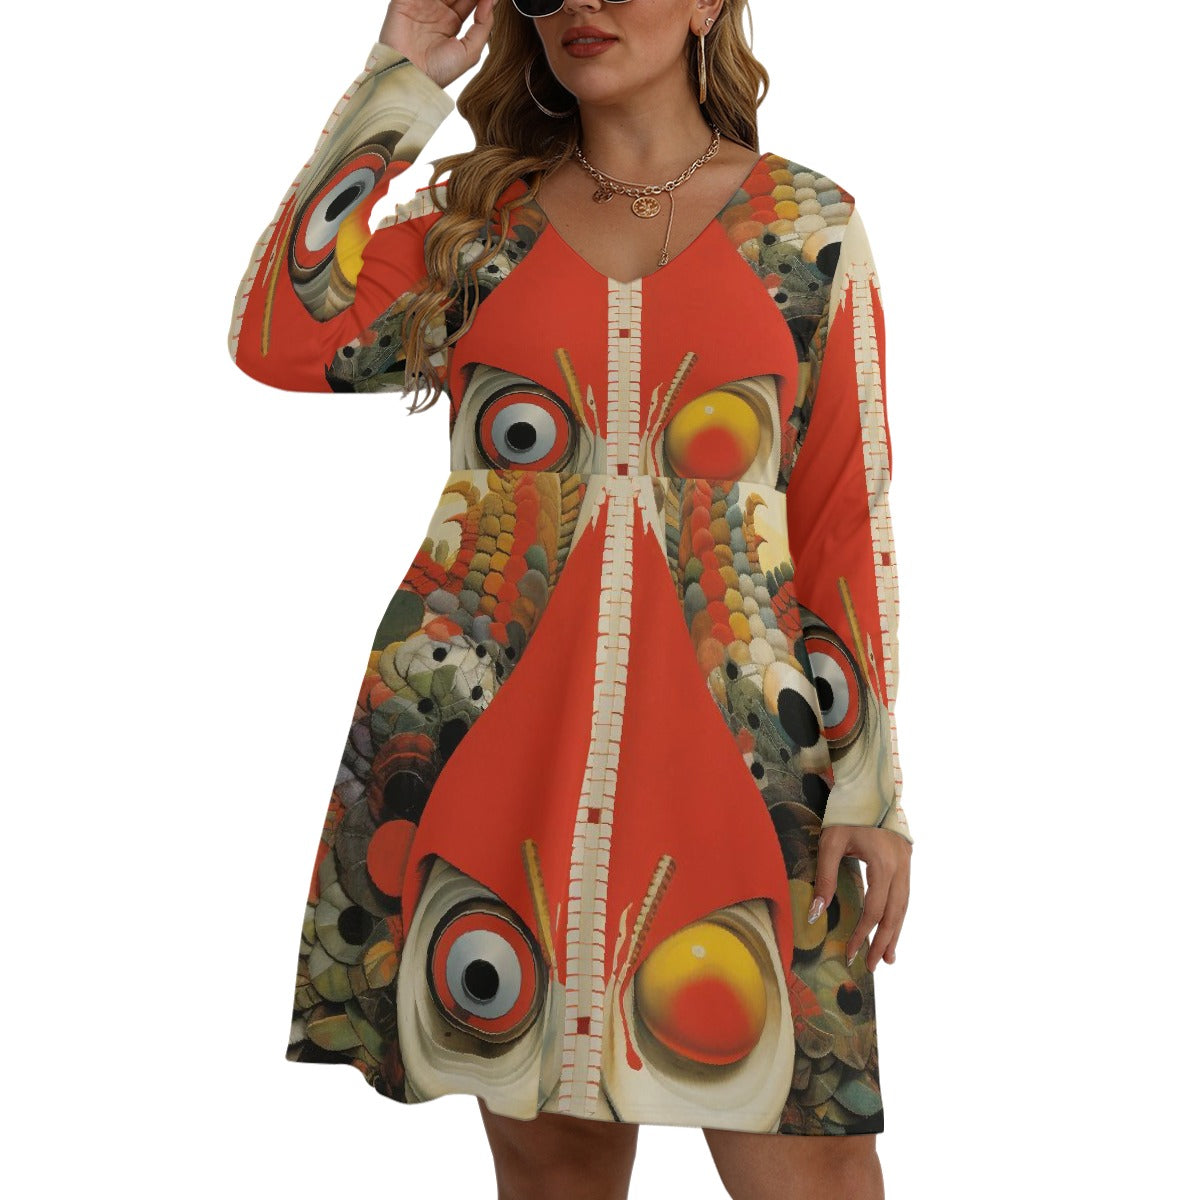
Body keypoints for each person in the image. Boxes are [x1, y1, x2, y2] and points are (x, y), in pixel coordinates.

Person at [228, 0, 913, 1196]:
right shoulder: (476, 225)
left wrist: (868, 784)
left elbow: (839, 515)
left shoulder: (806, 228)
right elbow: (281, 335)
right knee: (554, 1171)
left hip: (741, 764)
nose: (581, 5)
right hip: (503, 746)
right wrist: (401, 74)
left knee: (813, 1163)